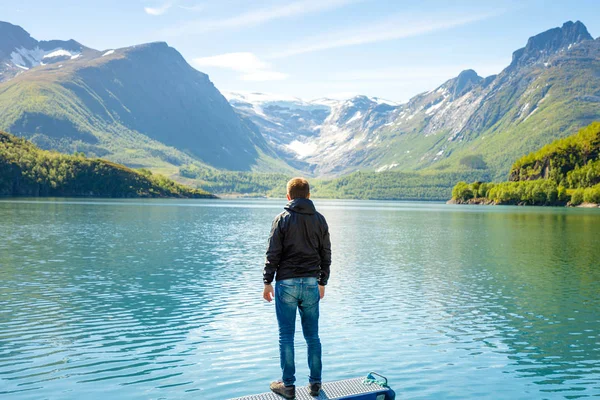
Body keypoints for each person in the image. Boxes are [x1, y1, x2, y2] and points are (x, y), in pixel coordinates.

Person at [263, 177, 331, 399]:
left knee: (286, 336)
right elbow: (326, 255)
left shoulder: (281, 219)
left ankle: (289, 386)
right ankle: (315, 385)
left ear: (288, 197)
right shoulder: (320, 220)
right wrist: (322, 282)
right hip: (311, 283)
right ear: (309, 196)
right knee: (313, 336)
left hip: (287, 283)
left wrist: (267, 282)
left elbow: (273, 254)